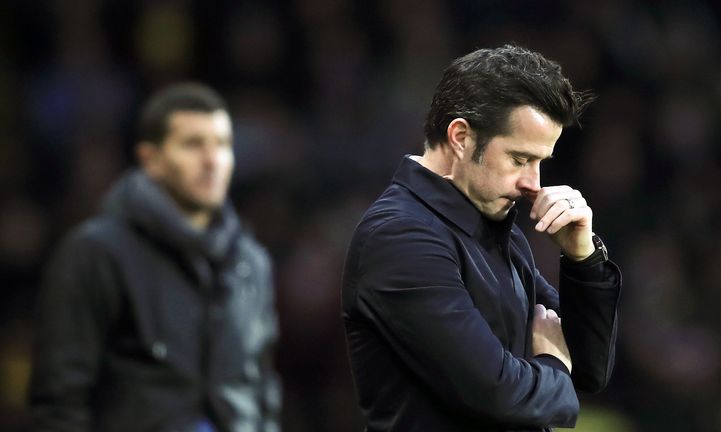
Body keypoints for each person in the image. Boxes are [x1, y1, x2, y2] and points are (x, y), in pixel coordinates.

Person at [341, 44, 621, 431]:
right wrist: (553, 362)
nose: (534, 183)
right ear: (460, 136)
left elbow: (589, 370)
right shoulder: (400, 238)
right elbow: (498, 394)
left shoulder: (495, 226)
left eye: (541, 162)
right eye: (520, 159)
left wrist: (583, 259)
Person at [29, 83, 281, 432]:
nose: (212, 161)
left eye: (222, 144)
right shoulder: (96, 253)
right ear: (151, 159)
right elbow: (61, 399)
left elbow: (262, 390)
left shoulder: (251, 264)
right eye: (193, 145)